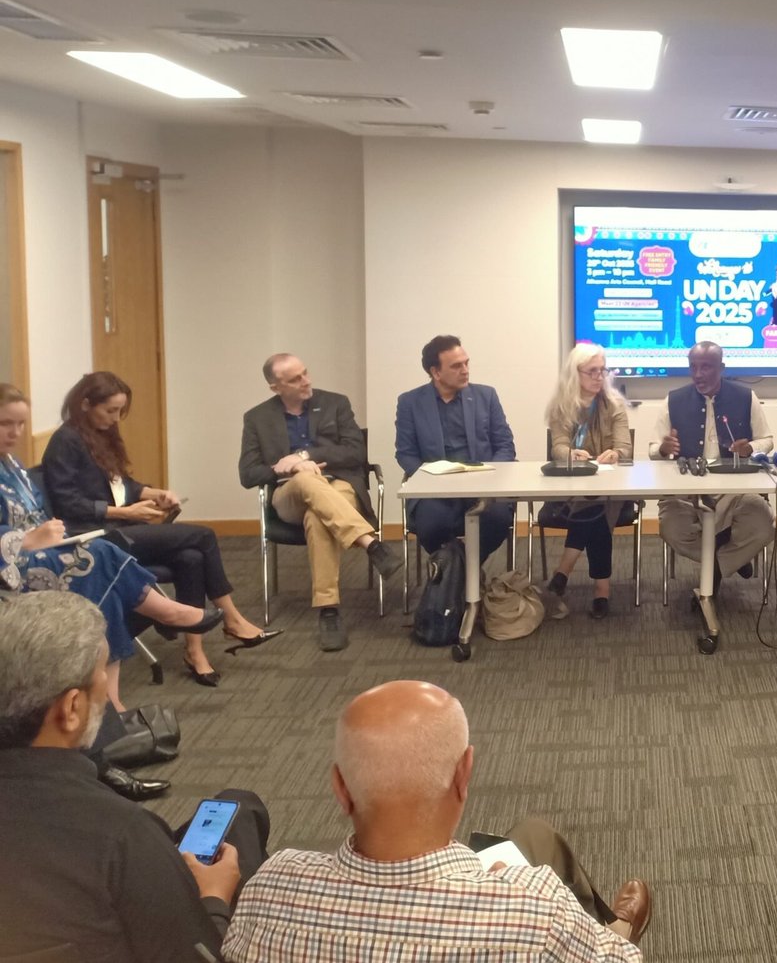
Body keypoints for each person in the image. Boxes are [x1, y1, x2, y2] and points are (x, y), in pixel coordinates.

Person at [223, 679, 650, 961]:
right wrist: (516, 891)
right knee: (537, 839)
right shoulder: (534, 909)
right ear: (464, 774)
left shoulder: (268, 887)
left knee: (535, 836)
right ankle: (615, 929)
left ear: (339, 786)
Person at [0, 591, 270, 963]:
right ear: (72, 708)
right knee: (240, 825)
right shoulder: (121, 835)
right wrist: (214, 899)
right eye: (103, 675)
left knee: (240, 807)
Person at [1, 384, 224, 711]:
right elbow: (52, 512)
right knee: (101, 557)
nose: (16, 432)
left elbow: (111, 488)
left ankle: (112, 700)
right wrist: (26, 539)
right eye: (6, 423)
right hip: (12, 566)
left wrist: (48, 533)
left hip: (47, 551)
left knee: (106, 578)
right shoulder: (66, 441)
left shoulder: (13, 466)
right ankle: (165, 615)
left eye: (21, 424)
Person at [42, 371, 273, 687]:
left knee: (191, 557)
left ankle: (195, 651)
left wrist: (154, 493)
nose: (116, 418)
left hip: (120, 526)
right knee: (204, 536)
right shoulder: (65, 441)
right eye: (110, 410)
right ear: (85, 404)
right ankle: (232, 619)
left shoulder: (101, 434)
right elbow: (67, 503)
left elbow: (121, 483)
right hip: (97, 539)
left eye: (120, 411)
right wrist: (125, 512)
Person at [240, 353, 398, 652]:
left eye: (305, 372)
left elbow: (355, 453)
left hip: (339, 485)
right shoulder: (257, 418)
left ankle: (329, 610)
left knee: (318, 517)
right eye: (295, 379)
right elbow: (247, 474)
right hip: (289, 495)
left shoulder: (336, 403)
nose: (306, 381)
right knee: (303, 480)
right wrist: (286, 468)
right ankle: (370, 543)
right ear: (275, 387)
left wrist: (304, 456)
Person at [649, 341, 774, 590]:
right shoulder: (673, 400)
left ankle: (715, 569)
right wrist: (663, 449)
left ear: (722, 368)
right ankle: (732, 560)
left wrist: (750, 448)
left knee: (763, 523)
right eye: (693, 367)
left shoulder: (746, 397)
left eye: (706, 367)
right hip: (685, 491)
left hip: (734, 490)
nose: (698, 374)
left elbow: (767, 440)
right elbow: (653, 449)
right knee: (671, 529)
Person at [395, 335, 517, 563]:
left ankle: (455, 573)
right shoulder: (410, 403)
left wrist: (492, 475)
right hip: (436, 490)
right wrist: (426, 477)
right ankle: (465, 575)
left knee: (497, 520)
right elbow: (405, 453)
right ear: (436, 372)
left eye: (466, 363)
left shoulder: (486, 396)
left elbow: (505, 445)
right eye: (456, 366)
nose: (465, 370)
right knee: (431, 525)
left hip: (484, 487)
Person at [542, 344, 634, 620]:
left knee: (596, 505)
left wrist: (615, 454)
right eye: (592, 371)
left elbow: (625, 448)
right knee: (594, 508)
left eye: (602, 370)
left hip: (612, 489)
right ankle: (601, 591)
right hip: (573, 488)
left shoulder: (614, 404)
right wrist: (570, 453)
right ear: (575, 373)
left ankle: (563, 570)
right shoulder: (562, 407)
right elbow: (558, 446)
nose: (599, 377)